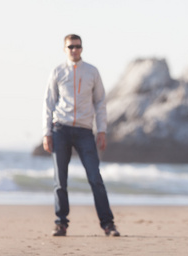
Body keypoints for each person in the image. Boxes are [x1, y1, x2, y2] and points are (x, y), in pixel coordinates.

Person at [42, 34, 119, 237]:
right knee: (60, 180)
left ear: (82, 48)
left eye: (77, 46)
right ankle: (61, 223)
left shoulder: (92, 72)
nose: (74, 50)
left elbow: (100, 103)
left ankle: (108, 224)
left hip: (85, 131)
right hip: (61, 129)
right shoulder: (57, 72)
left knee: (95, 177)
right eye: (70, 47)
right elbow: (49, 103)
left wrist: (101, 130)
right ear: (64, 49)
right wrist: (46, 133)